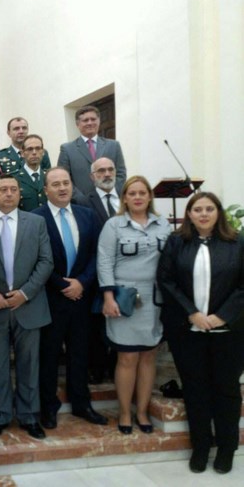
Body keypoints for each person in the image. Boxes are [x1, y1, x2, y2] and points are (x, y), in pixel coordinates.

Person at [157, 192, 244, 474]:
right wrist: (191, 312)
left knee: (227, 390)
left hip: (229, 331)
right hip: (189, 330)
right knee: (195, 390)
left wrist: (222, 316)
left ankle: (227, 448)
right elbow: (166, 280)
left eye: (209, 209)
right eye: (197, 209)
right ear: (189, 215)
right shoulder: (176, 242)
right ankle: (201, 447)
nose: (203, 214)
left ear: (218, 212)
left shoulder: (237, 243)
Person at [0, 175, 53, 440]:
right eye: (3, 190)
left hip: (28, 305)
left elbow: (46, 262)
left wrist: (25, 293)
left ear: (21, 194)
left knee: (29, 363)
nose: (9, 194)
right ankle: (0, 415)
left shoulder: (37, 222)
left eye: (14, 190)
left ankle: (30, 416)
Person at [33, 167, 108, 429]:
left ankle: (81, 403)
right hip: (51, 297)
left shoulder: (88, 215)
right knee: (49, 354)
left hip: (82, 297)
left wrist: (82, 282)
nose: (62, 188)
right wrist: (61, 283)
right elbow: (36, 260)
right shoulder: (36, 218)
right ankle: (49, 407)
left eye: (66, 183)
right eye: (56, 184)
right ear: (45, 190)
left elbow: (98, 254)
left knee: (80, 353)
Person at [97, 176, 171, 435]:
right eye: (132, 193)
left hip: (155, 297)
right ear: (125, 198)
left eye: (142, 193)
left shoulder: (163, 224)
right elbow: (104, 262)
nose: (138, 197)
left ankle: (142, 411)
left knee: (149, 355)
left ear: (150, 196)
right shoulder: (114, 225)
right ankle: (125, 412)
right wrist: (108, 297)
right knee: (127, 356)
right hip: (124, 297)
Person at [79, 156, 120, 384]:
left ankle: (117, 367)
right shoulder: (84, 202)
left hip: (124, 272)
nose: (106, 174)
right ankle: (97, 368)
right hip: (96, 273)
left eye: (110, 169)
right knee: (96, 326)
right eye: (101, 170)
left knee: (121, 320)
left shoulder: (125, 199)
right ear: (92, 176)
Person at [57, 105, 127, 201]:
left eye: (93, 119)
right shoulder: (67, 149)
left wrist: (113, 194)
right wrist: (80, 199)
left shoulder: (113, 146)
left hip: (111, 201)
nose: (90, 123)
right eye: (85, 120)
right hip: (82, 204)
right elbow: (63, 178)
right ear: (77, 124)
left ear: (99, 121)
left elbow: (121, 174)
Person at [13, 135, 49, 212]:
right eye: (30, 149)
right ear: (22, 153)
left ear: (43, 152)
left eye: (38, 148)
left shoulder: (49, 177)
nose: (34, 152)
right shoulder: (14, 179)